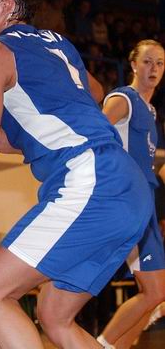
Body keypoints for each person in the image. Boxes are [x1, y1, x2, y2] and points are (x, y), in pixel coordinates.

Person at [0, 0, 152, 348]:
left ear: (6, 5)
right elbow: (95, 92)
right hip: (127, 186)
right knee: (55, 315)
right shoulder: (56, 43)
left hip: (91, 181)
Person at [96, 39, 165, 348]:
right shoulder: (123, 98)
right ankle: (102, 345)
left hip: (144, 202)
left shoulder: (151, 110)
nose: (154, 68)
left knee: (157, 292)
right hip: (125, 202)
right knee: (154, 291)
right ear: (134, 65)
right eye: (147, 61)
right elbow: (94, 134)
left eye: (160, 63)